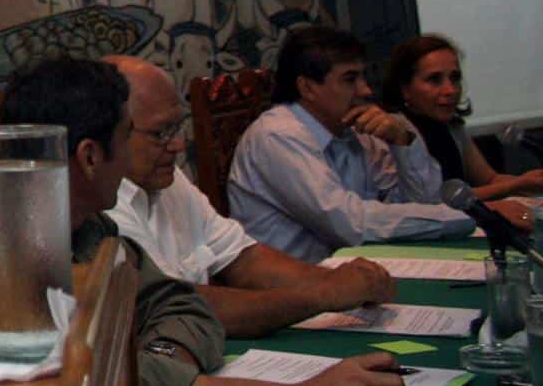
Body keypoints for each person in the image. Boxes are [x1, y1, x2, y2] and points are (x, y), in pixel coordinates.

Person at [0, 57, 406, 386]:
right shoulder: (12, 256)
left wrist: (162, 359)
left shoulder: (90, 229)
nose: (128, 160)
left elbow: (182, 306)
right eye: (127, 137)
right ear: (90, 157)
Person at [103, 57, 394, 336]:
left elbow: (243, 258)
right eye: (160, 133)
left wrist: (337, 281)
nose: (178, 144)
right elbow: (179, 309)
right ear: (112, 135)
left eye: (177, 127)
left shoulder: (167, 177)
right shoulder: (100, 205)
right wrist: (323, 294)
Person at [228, 26, 532, 263]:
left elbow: (424, 204)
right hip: (298, 289)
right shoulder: (278, 136)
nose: (365, 89)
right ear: (307, 87)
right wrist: (477, 215)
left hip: (359, 273)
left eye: (362, 76)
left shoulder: (356, 129)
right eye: (350, 79)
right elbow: (350, 225)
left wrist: (405, 143)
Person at [378, 34, 543, 200]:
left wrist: (531, 183)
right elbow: (442, 200)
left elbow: (490, 179)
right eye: (435, 79)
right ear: (405, 88)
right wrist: (518, 185)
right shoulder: (397, 132)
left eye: (455, 78)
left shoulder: (451, 126)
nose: (451, 90)